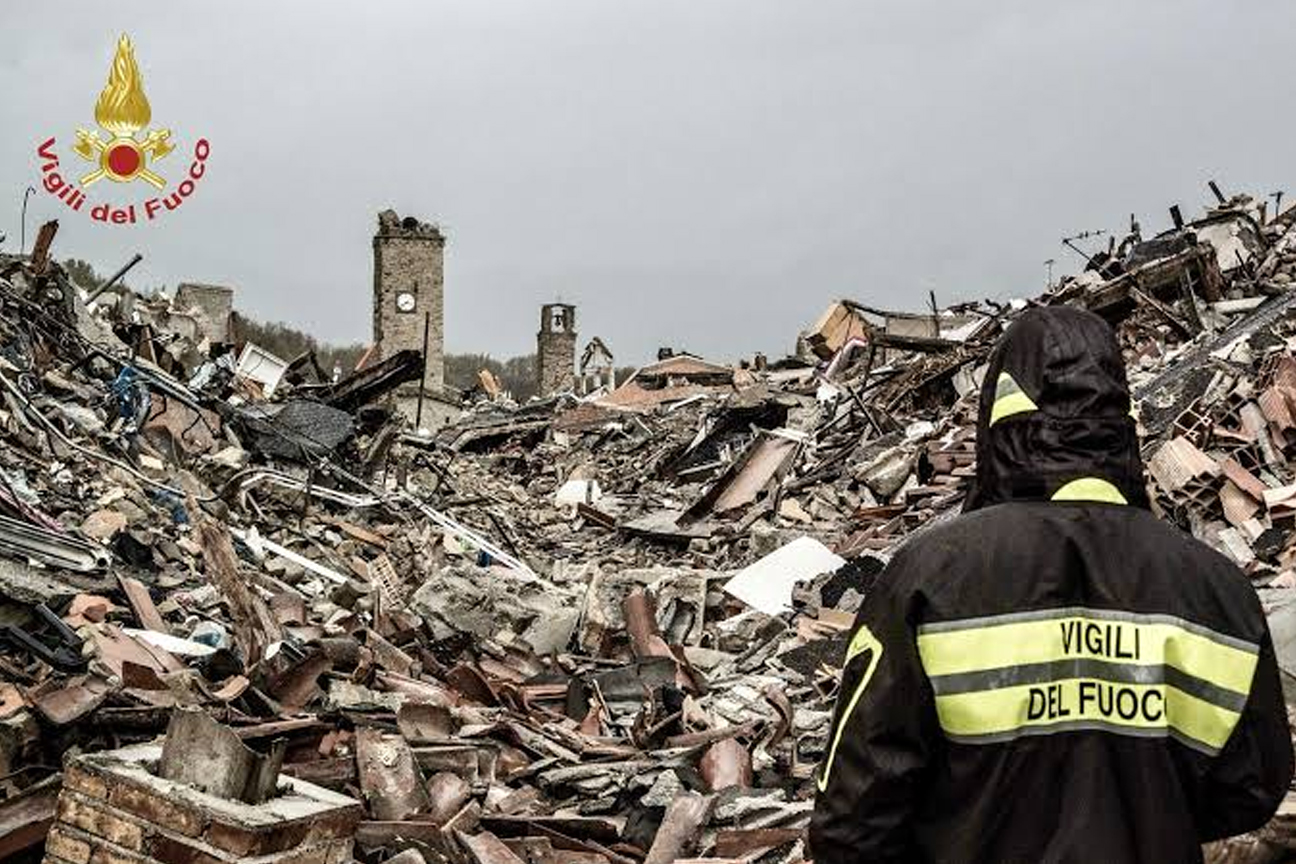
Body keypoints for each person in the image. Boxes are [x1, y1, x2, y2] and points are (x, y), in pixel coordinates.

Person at [808, 306, 1293, 863]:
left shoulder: (928, 579)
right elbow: (1250, 791)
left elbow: (852, 821)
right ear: (1122, 419)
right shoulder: (1216, 591)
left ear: (998, 420)